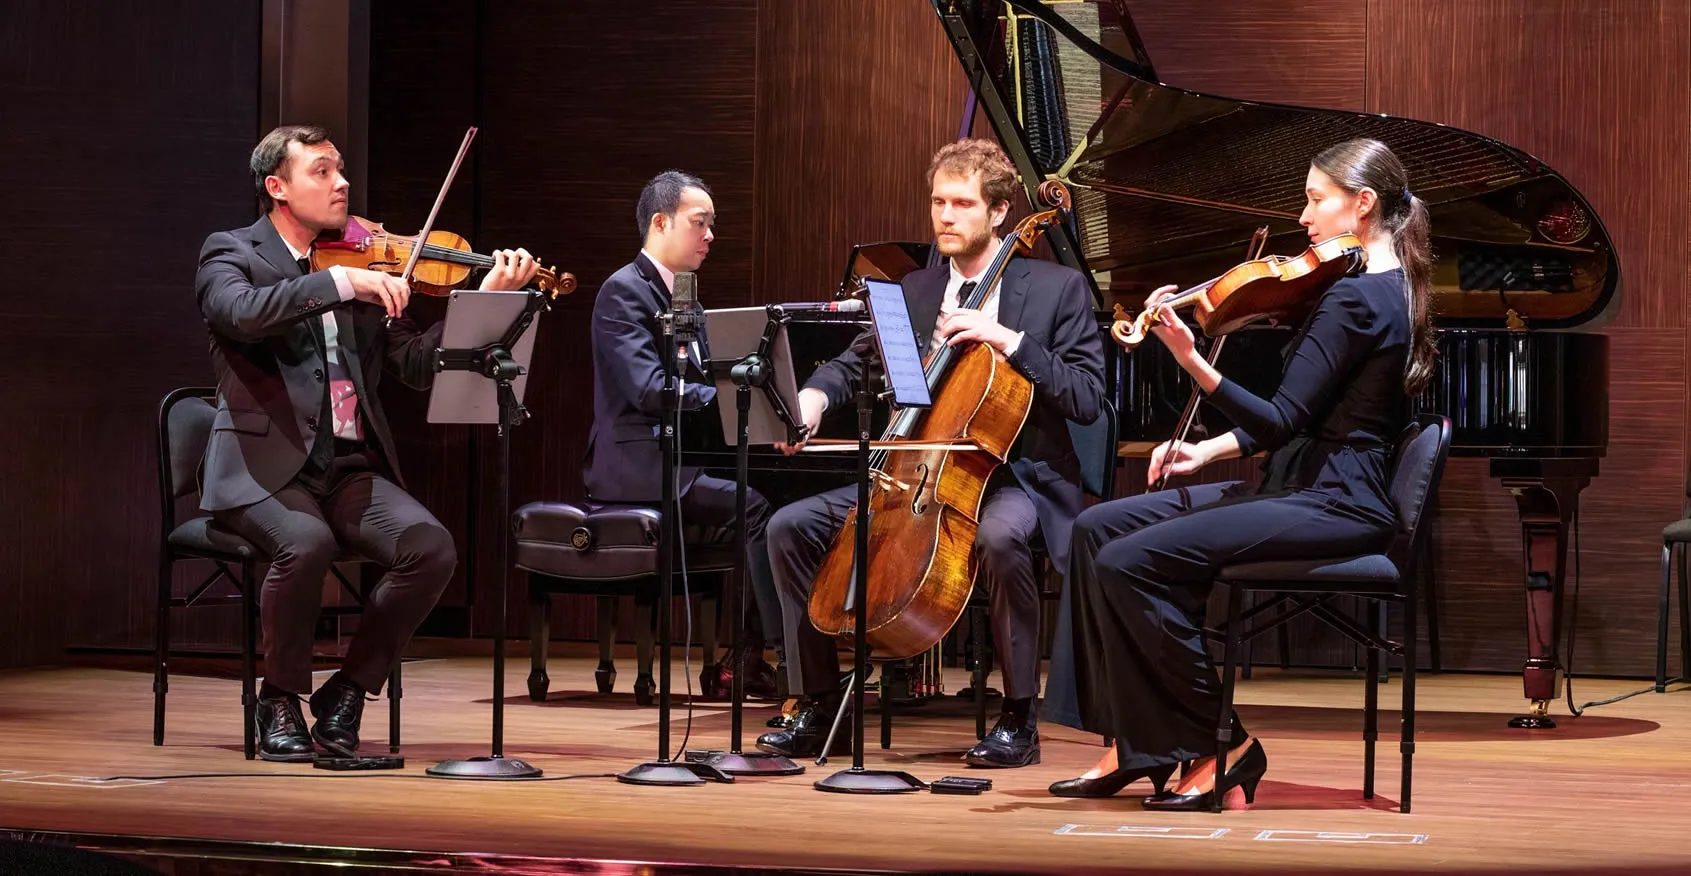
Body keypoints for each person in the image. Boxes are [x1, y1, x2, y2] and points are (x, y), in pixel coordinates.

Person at [1047, 137, 1436, 809]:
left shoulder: (1356, 300)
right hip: (1305, 483)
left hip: (1333, 500)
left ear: (1362, 204)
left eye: (1315, 199)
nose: (1302, 217)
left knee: (1127, 561)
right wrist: (1205, 452)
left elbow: (1282, 419)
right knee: (1093, 530)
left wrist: (1191, 359)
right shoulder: (1380, 288)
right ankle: (1134, 742)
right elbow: (1308, 415)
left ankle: (1222, 744)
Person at [755, 139, 1106, 766]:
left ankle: (1018, 717)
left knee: (1000, 538)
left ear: (999, 211)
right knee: (789, 527)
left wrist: (1009, 341)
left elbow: (1086, 397)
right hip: (913, 472)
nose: (945, 216)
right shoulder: (916, 289)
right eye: (938, 202)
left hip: (1015, 476)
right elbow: (855, 362)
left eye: (962, 204)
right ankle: (815, 700)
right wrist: (812, 398)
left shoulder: (1059, 289)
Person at [196, 124, 540, 761]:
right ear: (277, 187)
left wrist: (478, 302)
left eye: (341, 169)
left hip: (346, 466)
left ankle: (347, 692)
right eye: (322, 171)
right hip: (261, 466)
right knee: (307, 543)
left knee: (430, 548)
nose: (342, 183)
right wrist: (340, 285)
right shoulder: (232, 251)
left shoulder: (364, 263)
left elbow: (416, 365)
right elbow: (239, 312)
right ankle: (278, 698)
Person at [582, 170, 783, 698]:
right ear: (660, 222)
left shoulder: (686, 295)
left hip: (684, 454)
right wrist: (728, 396)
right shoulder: (623, 291)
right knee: (757, 507)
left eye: (712, 224)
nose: (711, 235)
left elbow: (698, 380)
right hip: (640, 463)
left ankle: (759, 650)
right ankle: (763, 650)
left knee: (785, 494)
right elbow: (648, 389)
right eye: (700, 223)